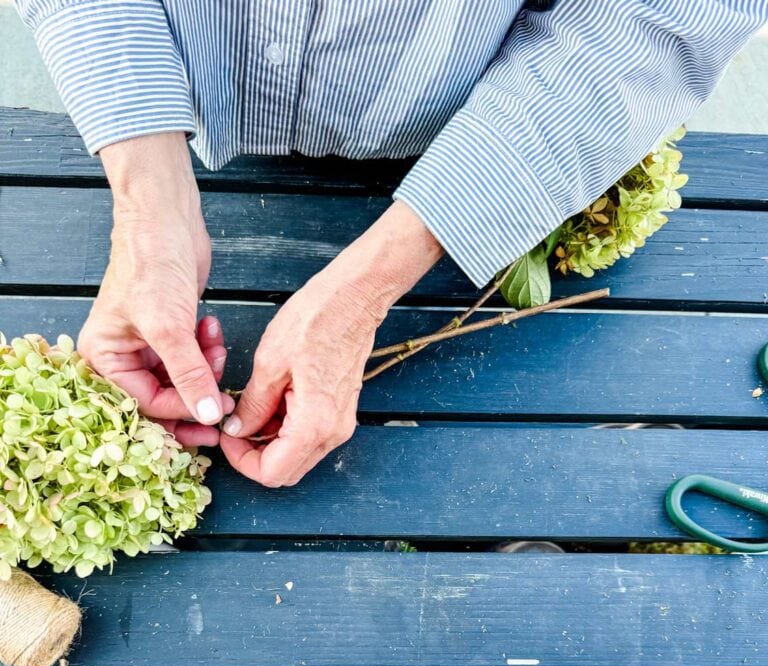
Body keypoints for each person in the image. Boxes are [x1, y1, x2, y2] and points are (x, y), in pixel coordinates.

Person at [15, 0, 768, 488]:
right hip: (177, 94)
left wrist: (368, 287)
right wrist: (151, 211)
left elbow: (652, 23)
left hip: (459, 130)